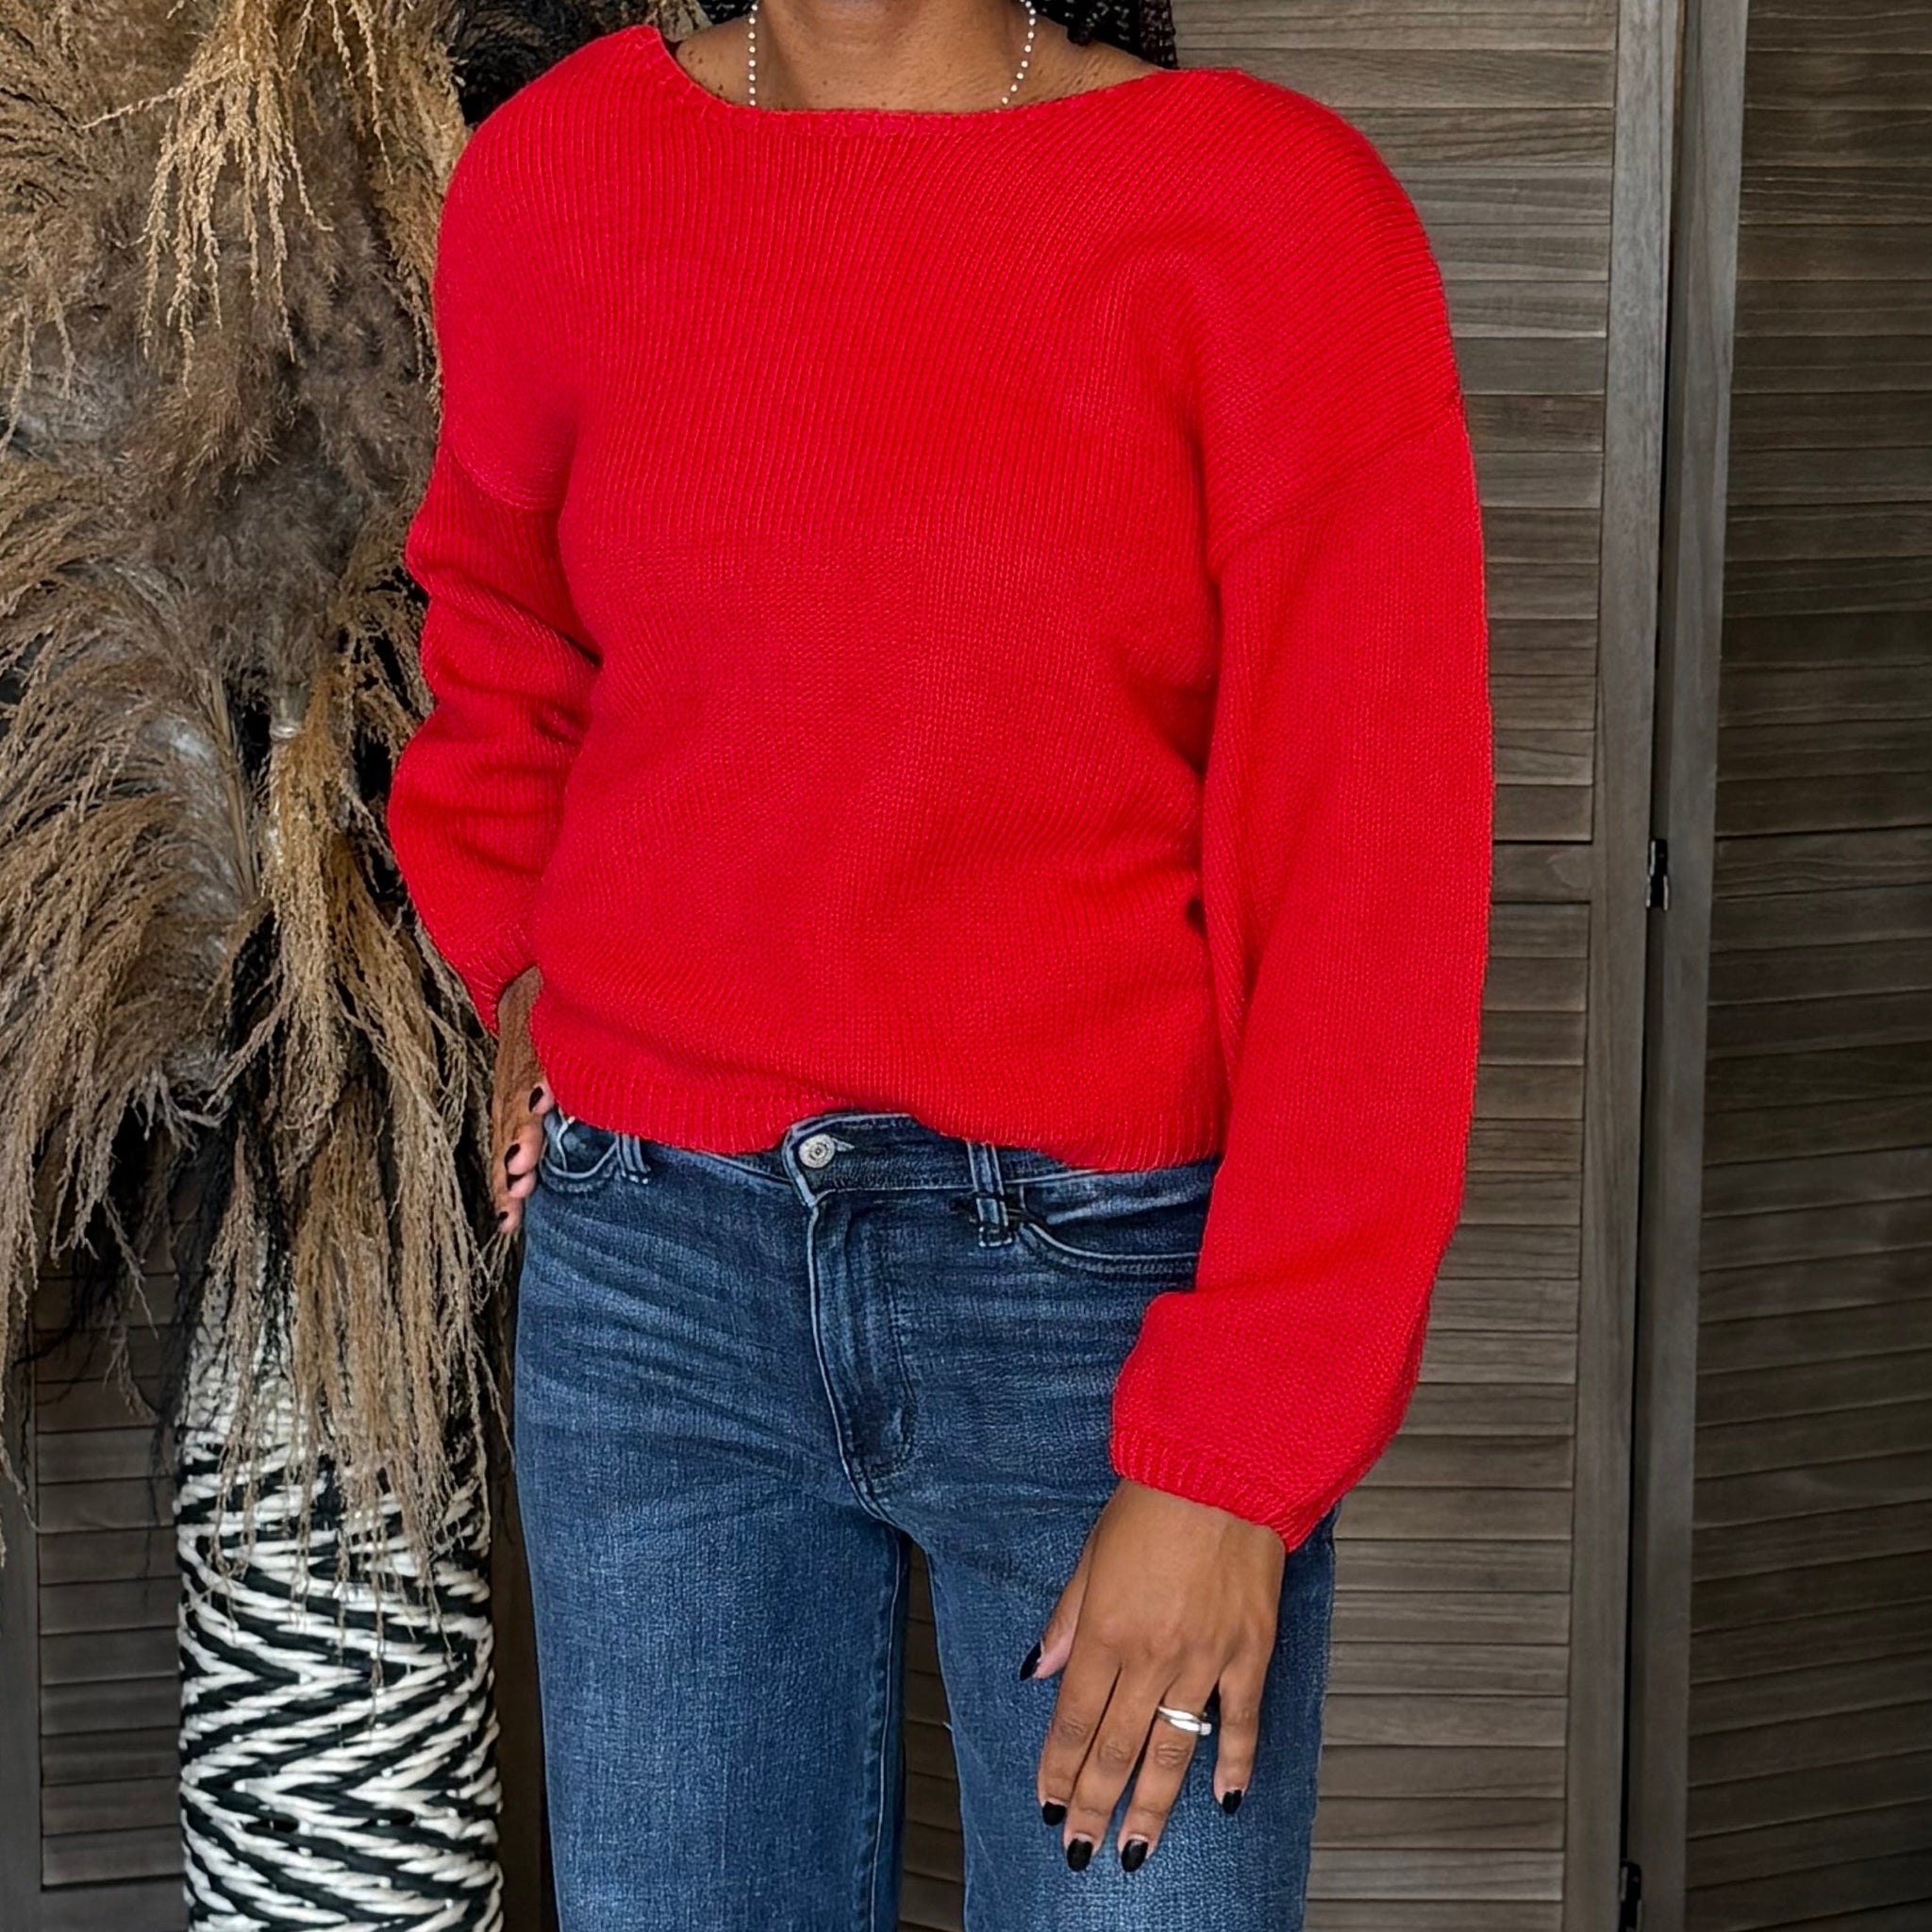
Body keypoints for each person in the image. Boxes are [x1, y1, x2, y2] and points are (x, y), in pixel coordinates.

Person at [386, 0, 1492, 1925]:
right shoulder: (558, 176)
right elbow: (501, 628)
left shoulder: (1265, 215)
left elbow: (1369, 860)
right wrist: (522, 962)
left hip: (1103, 1302)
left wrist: (1238, 1451)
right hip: (654, 1275)